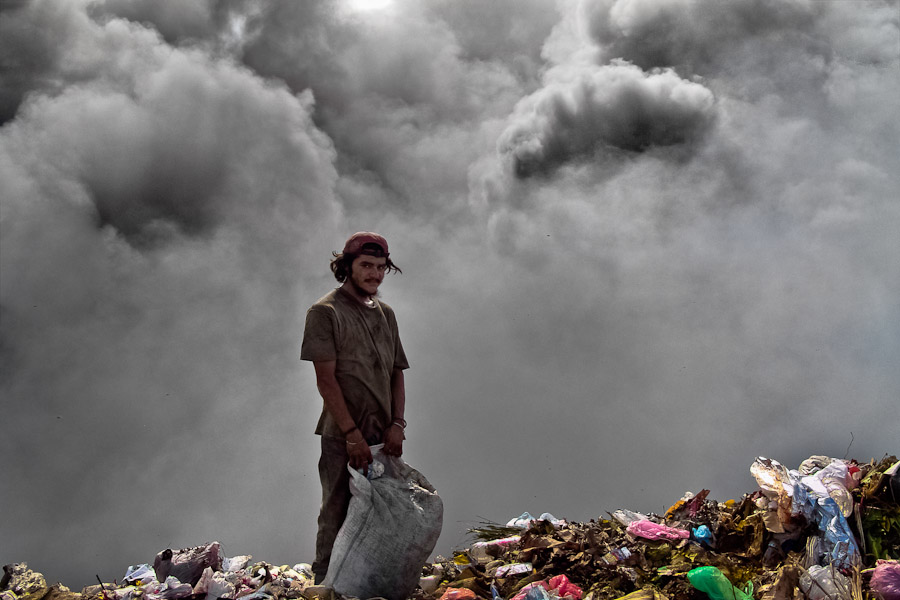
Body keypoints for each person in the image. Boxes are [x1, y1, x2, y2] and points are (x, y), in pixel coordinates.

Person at [300, 231, 410, 583]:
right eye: (366, 265)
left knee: (382, 510)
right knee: (337, 507)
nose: (374, 274)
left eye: (380, 267)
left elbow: (396, 373)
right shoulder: (325, 312)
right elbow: (326, 380)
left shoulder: (385, 314)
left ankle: (367, 583)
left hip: (382, 435)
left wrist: (397, 424)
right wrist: (351, 434)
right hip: (342, 434)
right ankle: (325, 581)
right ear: (347, 266)